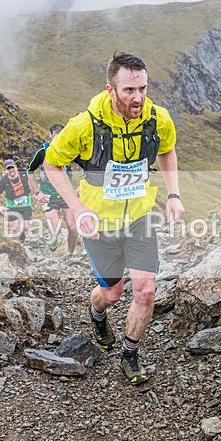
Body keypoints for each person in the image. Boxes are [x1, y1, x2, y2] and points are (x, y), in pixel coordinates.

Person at [44, 51, 184, 385]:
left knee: (146, 291)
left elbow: (166, 150)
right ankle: (97, 313)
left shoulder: (157, 118)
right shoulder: (84, 126)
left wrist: (174, 194)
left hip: (139, 218)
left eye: (143, 89)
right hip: (100, 225)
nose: (138, 98)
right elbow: (52, 165)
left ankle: (130, 354)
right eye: (129, 91)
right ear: (111, 90)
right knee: (111, 294)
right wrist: (77, 208)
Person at [28, 123, 80, 258]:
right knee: (56, 227)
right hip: (48, 194)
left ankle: (70, 253)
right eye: (55, 138)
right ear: (50, 138)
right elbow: (30, 171)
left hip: (66, 193)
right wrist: (37, 192)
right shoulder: (42, 151)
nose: (58, 141)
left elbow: (84, 168)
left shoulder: (70, 148)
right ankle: (53, 237)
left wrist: (80, 188)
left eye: (61, 137)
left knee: (72, 228)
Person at [0, 159, 33, 241]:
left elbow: (33, 180)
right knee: (15, 229)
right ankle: (10, 244)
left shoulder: (24, 173)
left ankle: (21, 232)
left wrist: (37, 193)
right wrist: (0, 207)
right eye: (8, 168)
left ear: (16, 167)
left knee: (26, 227)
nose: (11, 170)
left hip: (26, 205)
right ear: (5, 170)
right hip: (11, 207)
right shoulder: (4, 180)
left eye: (12, 167)